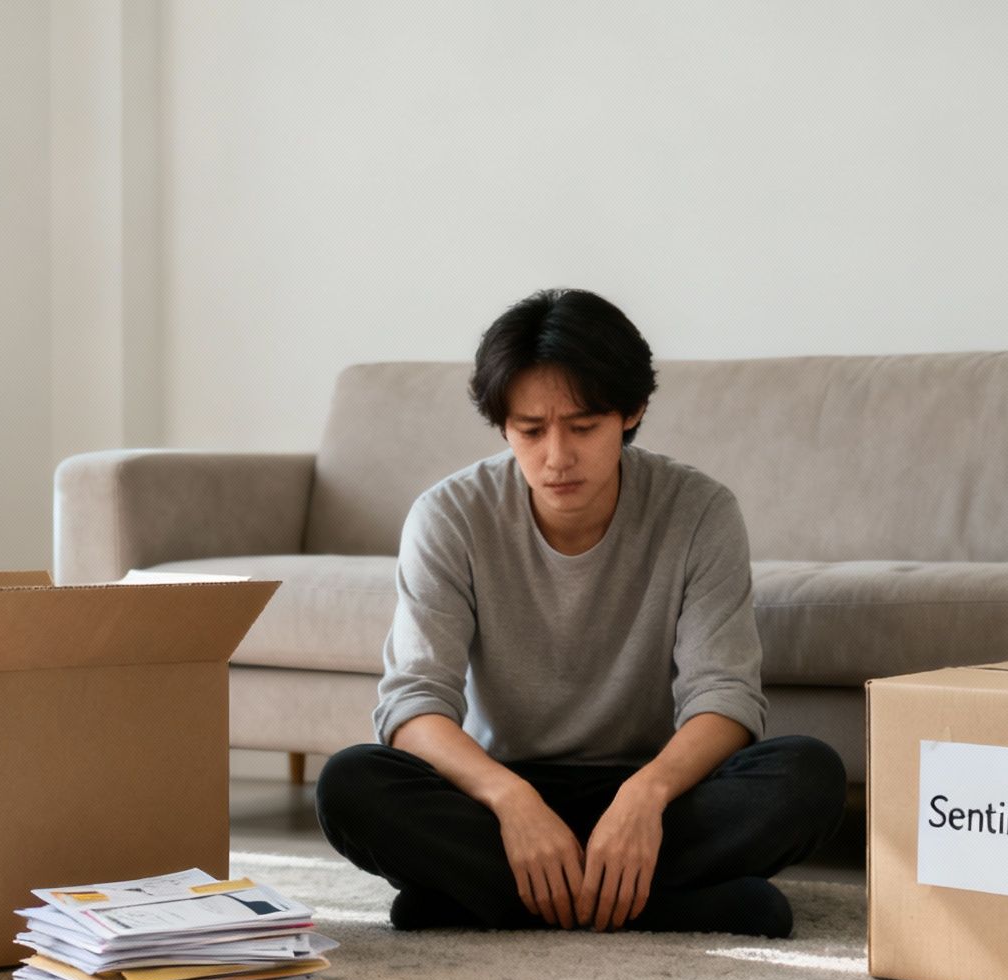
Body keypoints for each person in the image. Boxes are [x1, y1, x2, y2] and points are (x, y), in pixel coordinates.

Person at [314, 288, 844, 937]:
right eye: (531, 431)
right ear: (502, 425)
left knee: (809, 776)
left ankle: (484, 903)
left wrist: (645, 796)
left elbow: (726, 698)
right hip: (501, 791)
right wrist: (511, 801)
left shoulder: (700, 511)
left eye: (584, 426)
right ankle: (677, 906)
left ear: (632, 412)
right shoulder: (449, 515)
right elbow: (413, 707)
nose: (557, 457)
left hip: (655, 790)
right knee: (349, 784)